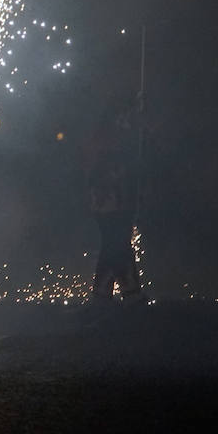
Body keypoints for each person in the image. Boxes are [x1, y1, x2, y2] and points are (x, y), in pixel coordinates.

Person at [82, 95, 144, 302]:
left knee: (115, 243)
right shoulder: (109, 138)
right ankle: (126, 290)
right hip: (108, 200)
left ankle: (105, 291)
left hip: (113, 199)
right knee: (116, 243)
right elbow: (108, 169)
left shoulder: (114, 135)